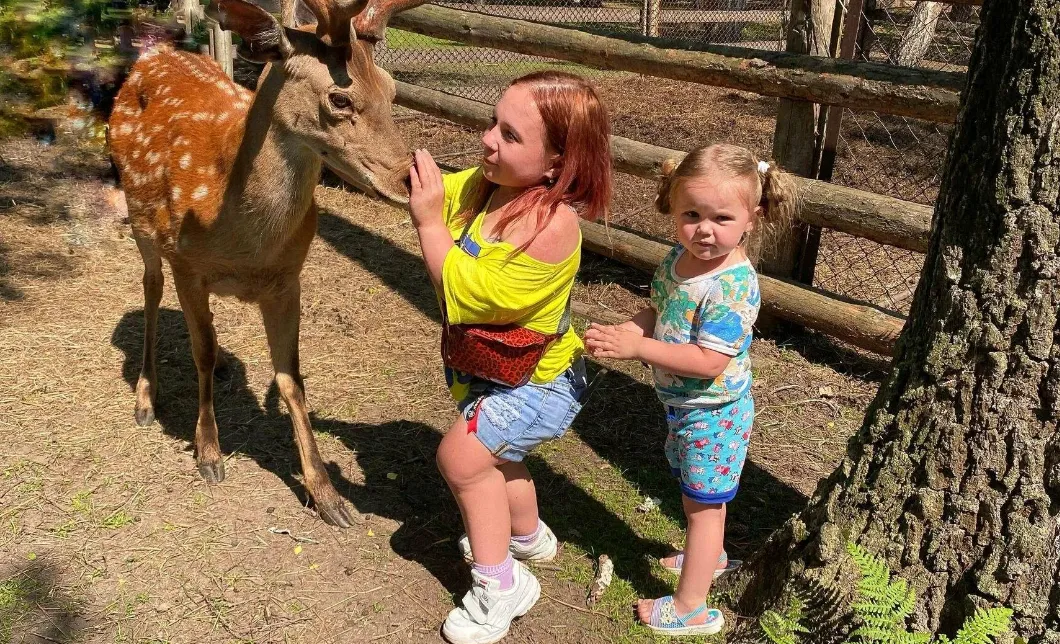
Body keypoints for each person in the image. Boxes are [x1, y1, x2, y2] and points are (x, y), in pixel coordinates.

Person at [407, 70, 612, 644]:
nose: (487, 139)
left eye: (510, 135)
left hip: (540, 385)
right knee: (498, 459)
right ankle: (526, 535)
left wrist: (428, 223)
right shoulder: (489, 184)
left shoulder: (551, 227)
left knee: (462, 461)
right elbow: (436, 190)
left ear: (556, 164)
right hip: (498, 372)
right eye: (493, 122)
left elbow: (466, 293)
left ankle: (502, 586)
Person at [585, 143, 797, 636]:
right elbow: (661, 310)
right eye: (692, 214)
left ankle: (691, 608)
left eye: (722, 218)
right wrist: (631, 330)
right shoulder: (678, 260)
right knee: (695, 497)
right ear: (673, 208)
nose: (704, 229)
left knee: (704, 509)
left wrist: (639, 349)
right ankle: (711, 557)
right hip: (682, 406)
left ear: (752, 219)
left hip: (714, 411)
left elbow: (709, 361)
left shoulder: (732, 285)